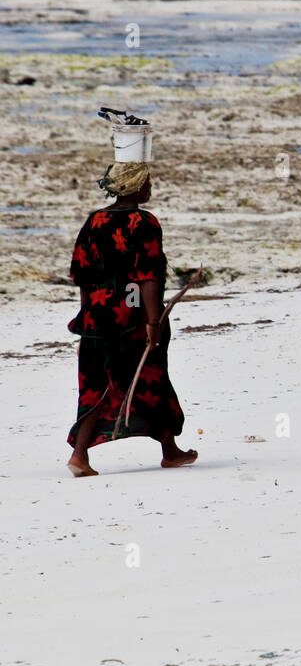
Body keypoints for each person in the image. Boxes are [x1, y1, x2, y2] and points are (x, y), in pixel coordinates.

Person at [66, 161, 196, 476]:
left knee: (97, 385)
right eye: (147, 182)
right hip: (131, 318)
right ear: (135, 187)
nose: (150, 187)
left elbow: (82, 272)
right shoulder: (144, 222)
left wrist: (88, 312)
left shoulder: (95, 220)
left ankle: (81, 456)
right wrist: (152, 321)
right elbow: (146, 277)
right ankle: (169, 451)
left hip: (97, 317)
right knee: (152, 378)